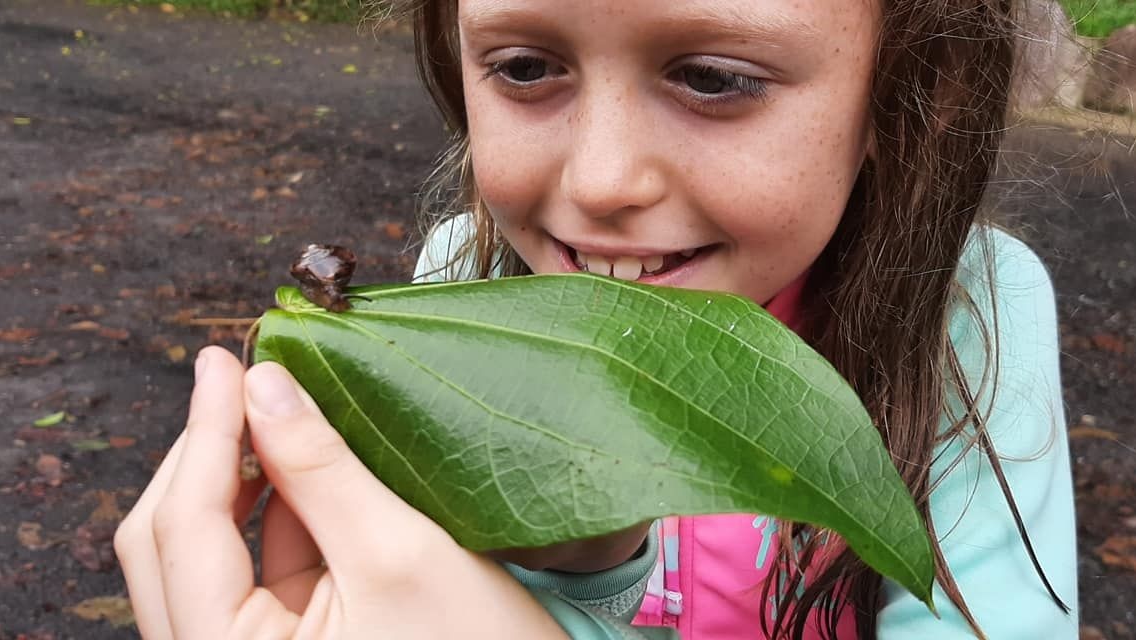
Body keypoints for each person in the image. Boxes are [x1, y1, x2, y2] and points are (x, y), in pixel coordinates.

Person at [115, 0, 1080, 637]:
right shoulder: (463, 277)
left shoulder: (975, 314)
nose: (601, 183)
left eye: (712, 77)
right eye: (527, 67)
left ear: (911, 95)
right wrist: (583, 571)